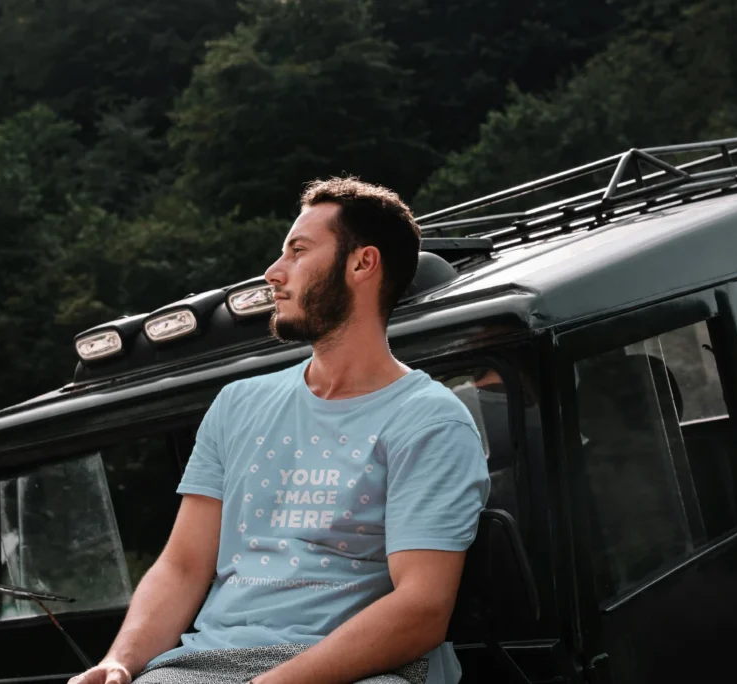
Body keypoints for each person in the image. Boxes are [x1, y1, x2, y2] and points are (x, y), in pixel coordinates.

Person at [68, 177, 490, 684]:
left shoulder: (430, 420)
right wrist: (122, 661)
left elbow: (421, 609)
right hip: (204, 666)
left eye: (298, 251)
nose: (273, 272)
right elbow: (182, 567)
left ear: (362, 264)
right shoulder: (237, 404)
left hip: (360, 669)